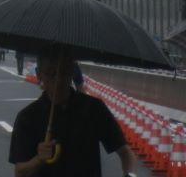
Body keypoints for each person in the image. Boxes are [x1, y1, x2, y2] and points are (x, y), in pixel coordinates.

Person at [9, 49, 136, 177]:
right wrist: (39, 159)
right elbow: (20, 172)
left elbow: (124, 152)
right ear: (39, 74)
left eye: (63, 73)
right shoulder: (27, 117)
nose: (58, 80)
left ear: (72, 73)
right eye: (50, 73)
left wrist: (128, 174)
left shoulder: (93, 108)